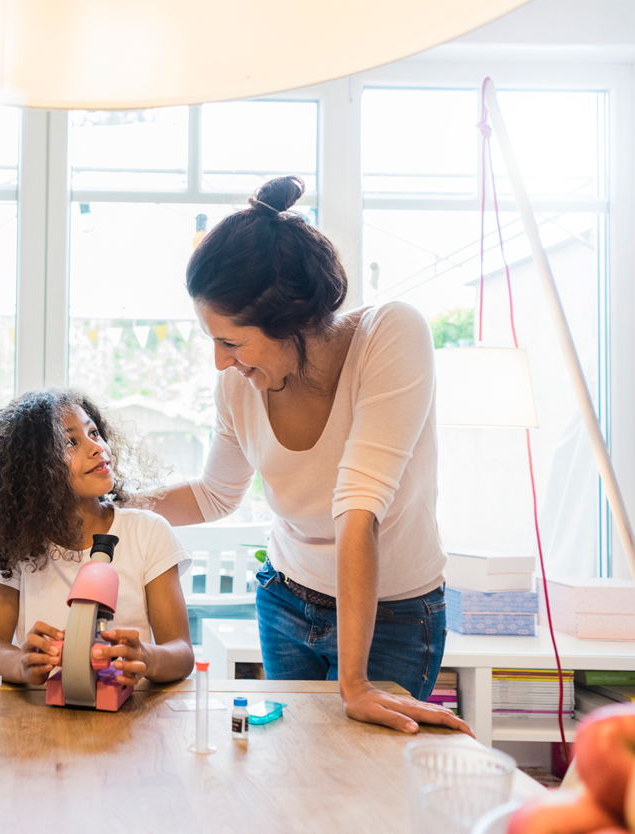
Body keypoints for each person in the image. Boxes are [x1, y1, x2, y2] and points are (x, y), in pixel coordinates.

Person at [148, 176, 472, 735]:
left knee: (366, 784)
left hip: (392, 615)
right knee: (296, 767)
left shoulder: (391, 335)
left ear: (291, 318)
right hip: (286, 599)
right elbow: (214, 494)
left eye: (231, 341)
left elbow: (358, 508)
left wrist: (357, 686)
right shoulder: (238, 386)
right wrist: (102, 504)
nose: (220, 362)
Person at [0, 388, 194, 688]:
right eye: (71, 442)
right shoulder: (14, 545)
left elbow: (182, 652)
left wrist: (149, 658)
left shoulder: (149, 532)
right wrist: (20, 664)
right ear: (33, 469)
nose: (97, 447)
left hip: (129, 717)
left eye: (94, 432)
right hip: (39, 715)